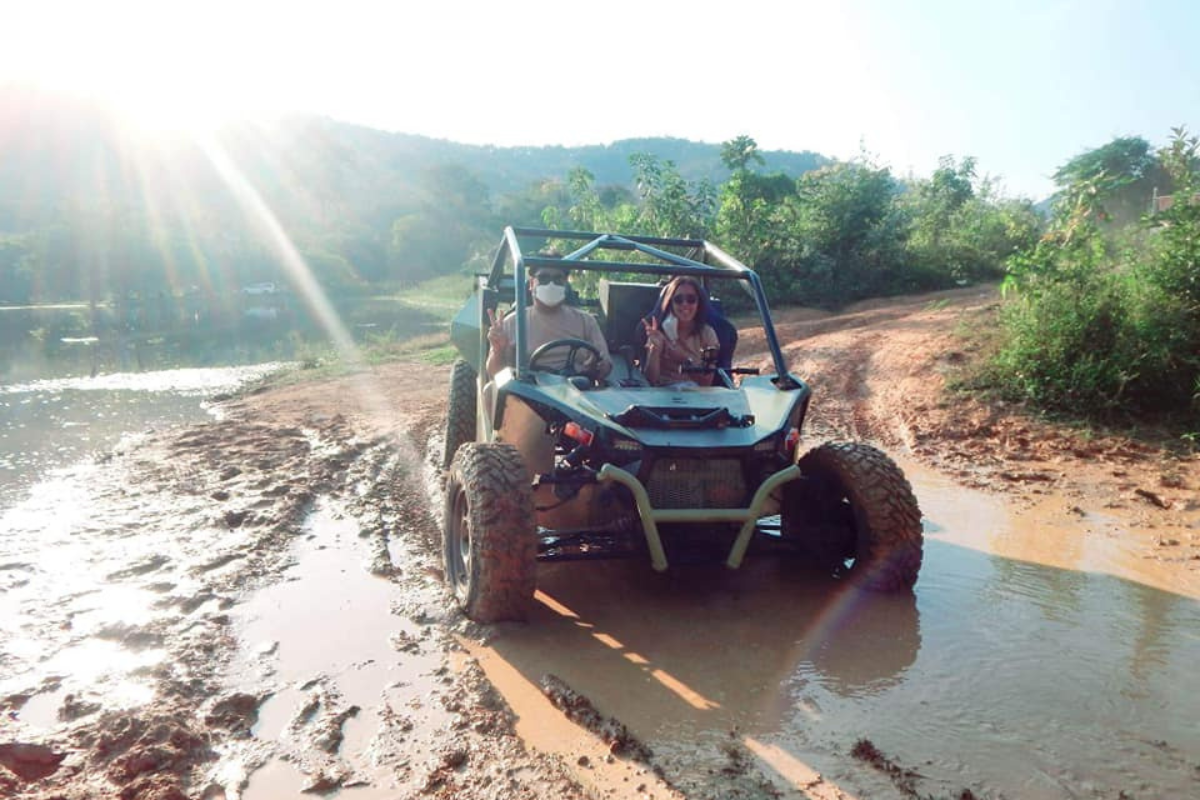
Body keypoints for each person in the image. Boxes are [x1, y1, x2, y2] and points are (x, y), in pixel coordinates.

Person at [485, 263, 613, 380]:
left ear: (565, 284)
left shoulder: (586, 321)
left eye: (558, 279)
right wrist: (498, 351)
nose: (551, 284)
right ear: (531, 284)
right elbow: (495, 375)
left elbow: (605, 365)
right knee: (489, 391)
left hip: (579, 392)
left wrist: (598, 366)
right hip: (529, 395)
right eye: (544, 278)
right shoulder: (513, 323)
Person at [642, 275, 721, 387]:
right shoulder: (658, 332)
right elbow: (651, 380)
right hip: (662, 393)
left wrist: (683, 359)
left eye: (691, 299)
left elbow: (707, 381)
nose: (685, 304)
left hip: (695, 394)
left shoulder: (707, 334)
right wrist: (654, 351)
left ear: (698, 303)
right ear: (670, 303)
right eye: (678, 300)